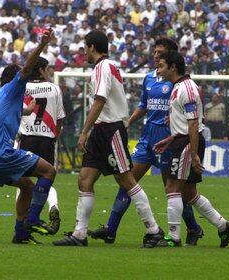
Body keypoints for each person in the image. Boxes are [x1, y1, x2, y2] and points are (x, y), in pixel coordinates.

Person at [53, 30, 164, 247]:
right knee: (84, 179)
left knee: (126, 180)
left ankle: (153, 229)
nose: (84, 52)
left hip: (111, 129)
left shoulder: (103, 67)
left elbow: (100, 99)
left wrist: (84, 131)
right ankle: (79, 234)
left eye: (85, 47)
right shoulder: (103, 67)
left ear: (92, 47)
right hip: (101, 130)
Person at [88, 38, 204, 246]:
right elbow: (143, 105)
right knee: (128, 180)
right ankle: (111, 228)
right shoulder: (149, 78)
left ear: (172, 58)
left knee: (173, 188)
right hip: (146, 140)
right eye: (155, 52)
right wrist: (127, 123)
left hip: (168, 140)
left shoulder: (177, 82)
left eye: (161, 53)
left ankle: (193, 228)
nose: (156, 56)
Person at [0, 29, 56, 244]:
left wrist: (28, 110)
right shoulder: (13, 87)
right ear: (15, 79)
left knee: (27, 186)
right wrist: (41, 44)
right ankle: (33, 219)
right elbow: (28, 67)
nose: (26, 77)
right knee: (49, 171)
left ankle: (20, 234)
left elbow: (17, 112)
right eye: (23, 75)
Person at [154, 50, 229, 247]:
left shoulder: (187, 89)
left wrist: (193, 153)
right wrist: (171, 138)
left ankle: (173, 237)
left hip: (186, 143)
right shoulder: (179, 87)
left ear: (173, 67)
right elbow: (186, 122)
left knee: (172, 187)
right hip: (181, 140)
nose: (158, 69)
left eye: (162, 65)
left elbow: (193, 124)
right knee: (189, 192)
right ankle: (223, 225)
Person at [15, 57, 65, 235]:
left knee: (24, 183)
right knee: (46, 177)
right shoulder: (54, 88)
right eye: (48, 68)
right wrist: (54, 136)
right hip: (46, 140)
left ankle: (22, 226)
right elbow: (59, 118)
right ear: (42, 70)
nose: (49, 71)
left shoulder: (23, 88)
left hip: (27, 138)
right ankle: (51, 206)